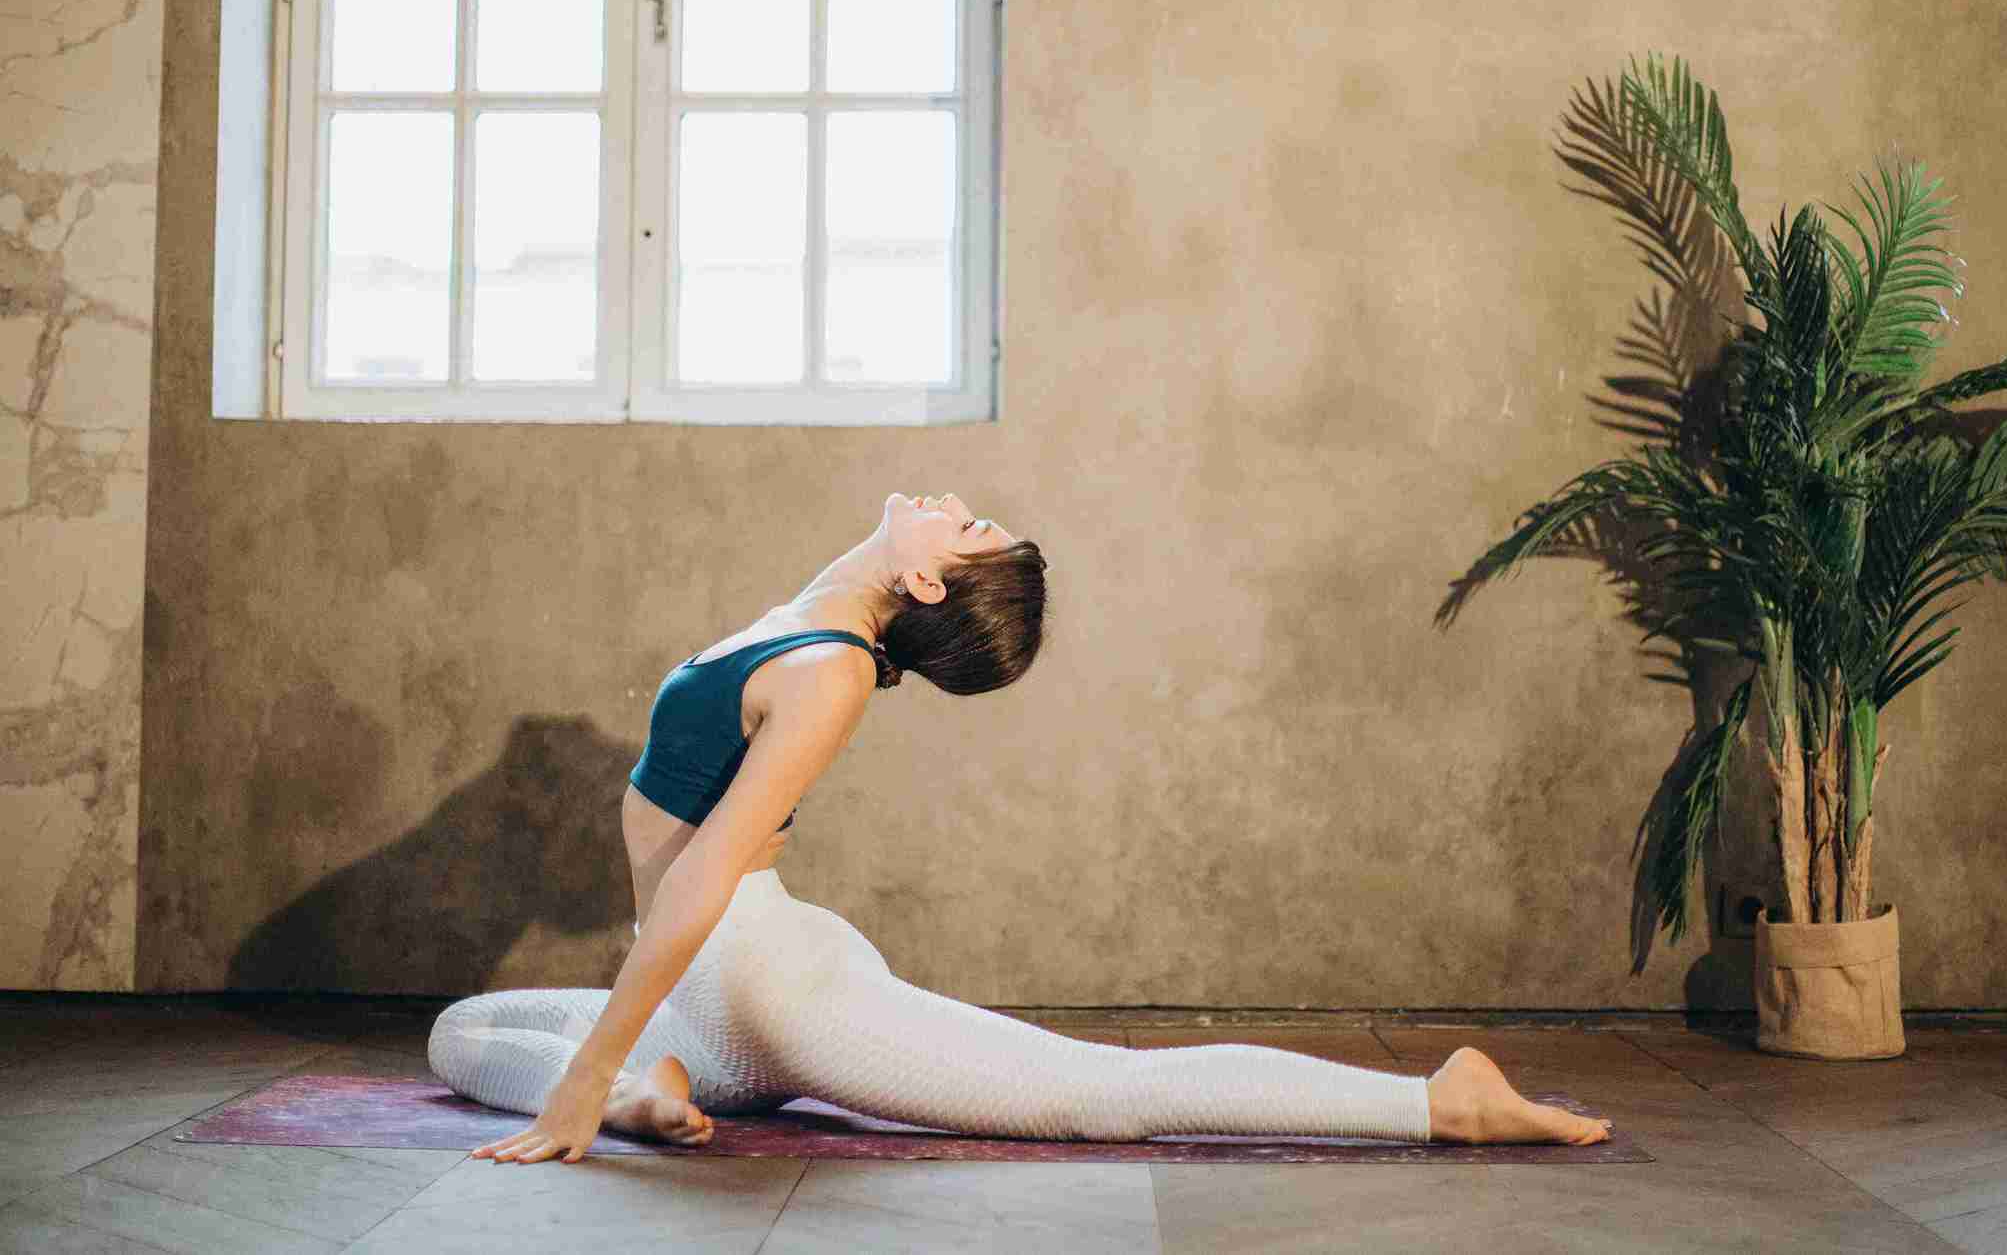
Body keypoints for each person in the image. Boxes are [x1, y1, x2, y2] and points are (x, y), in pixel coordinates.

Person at [428, 492, 1613, 1163]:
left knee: (1102, 1095)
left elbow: (696, 882)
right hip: (709, 1004)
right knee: (460, 1034)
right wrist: (598, 1078)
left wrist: (578, 1078)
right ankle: (652, 1089)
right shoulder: (816, 606)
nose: (958, 507)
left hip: (774, 988)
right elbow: (865, 564)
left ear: (931, 585)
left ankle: (1437, 1099)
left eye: (970, 527)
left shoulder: (831, 669)